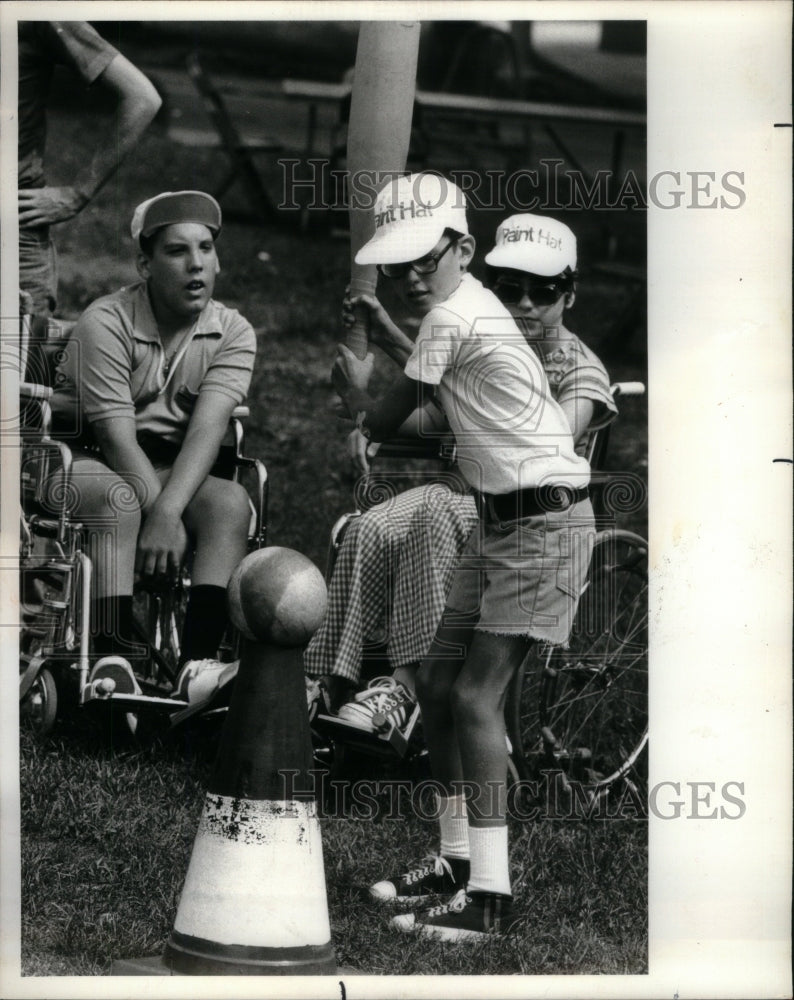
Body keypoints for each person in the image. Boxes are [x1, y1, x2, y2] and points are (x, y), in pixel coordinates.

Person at [332, 174, 595, 941]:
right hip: (497, 521)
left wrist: (359, 395)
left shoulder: (454, 314)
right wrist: (383, 336)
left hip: (543, 523)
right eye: (395, 261)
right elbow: (443, 401)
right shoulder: (465, 313)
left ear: (463, 250)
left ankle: (490, 900)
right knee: (442, 685)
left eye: (425, 258)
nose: (410, 273)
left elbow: (392, 415)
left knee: (476, 698)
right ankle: (454, 864)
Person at [306, 212, 615, 730]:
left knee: (431, 510)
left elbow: (539, 434)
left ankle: (405, 688)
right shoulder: (479, 325)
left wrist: (376, 395)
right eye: (510, 287)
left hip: (527, 511)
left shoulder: (580, 367)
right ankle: (330, 683)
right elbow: (435, 411)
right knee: (370, 526)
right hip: (468, 494)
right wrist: (368, 415)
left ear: (571, 295)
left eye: (544, 292)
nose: (524, 304)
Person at [50, 191, 256, 699]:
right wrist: (159, 515)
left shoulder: (232, 331)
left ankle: (198, 670)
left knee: (230, 503)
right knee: (120, 502)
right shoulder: (106, 322)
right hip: (85, 458)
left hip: (167, 465)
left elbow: (208, 432)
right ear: (144, 263)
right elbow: (115, 438)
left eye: (206, 248)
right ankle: (110, 656)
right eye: (176, 251)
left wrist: (169, 509)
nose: (196, 264)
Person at [18, 20, 161, 326]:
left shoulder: (38, 17)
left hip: (14, 229)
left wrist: (77, 193)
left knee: (18, 367)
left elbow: (142, 98)